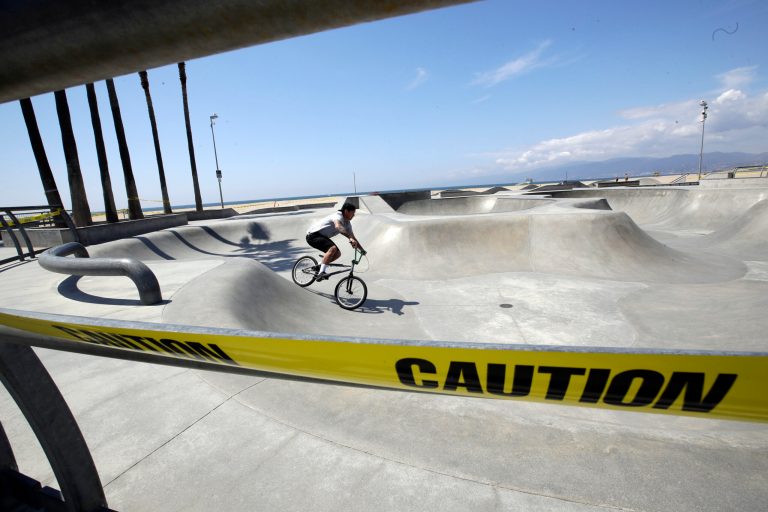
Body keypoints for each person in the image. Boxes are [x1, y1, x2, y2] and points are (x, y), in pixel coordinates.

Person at [305, 202, 363, 280]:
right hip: (313, 235)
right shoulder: (337, 216)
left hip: (321, 237)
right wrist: (350, 238)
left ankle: (319, 266)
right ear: (346, 211)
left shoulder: (347, 224)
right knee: (332, 248)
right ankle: (321, 273)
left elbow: (353, 237)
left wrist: (362, 250)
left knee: (337, 254)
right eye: (353, 213)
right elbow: (338, 226)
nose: (354, 215)